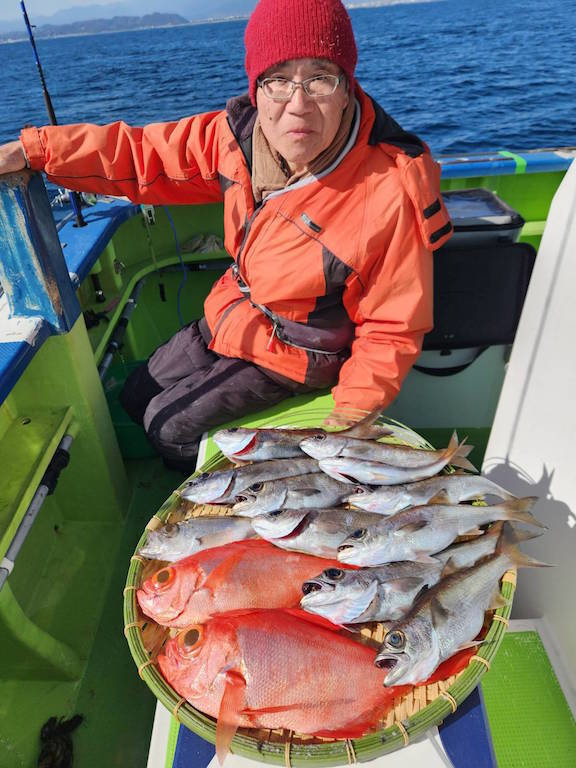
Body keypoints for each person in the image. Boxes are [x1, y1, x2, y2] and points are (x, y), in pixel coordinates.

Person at [0, 0, 452, 470]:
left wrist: (350, 421)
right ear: (256, 90)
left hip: (301, 352)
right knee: (136, 395)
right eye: (278, 79)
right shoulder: (236, 138)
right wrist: (36, 152)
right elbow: (140, 155)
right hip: (236, 312)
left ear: (346, 90)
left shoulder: (387, 189)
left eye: (320, 78)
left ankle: (223, 492)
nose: (298, 103)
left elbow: (391, 328)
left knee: (167, 427)